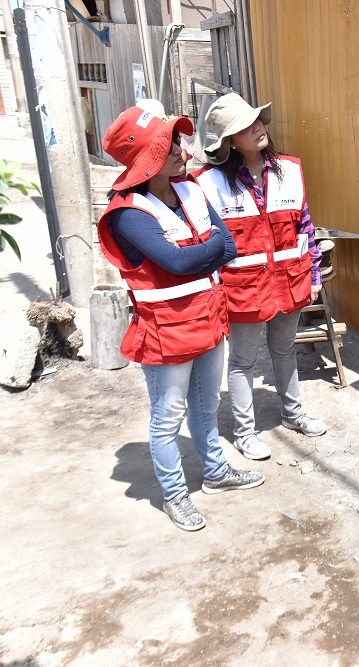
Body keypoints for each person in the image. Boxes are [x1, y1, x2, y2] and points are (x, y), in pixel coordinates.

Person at [97, 104, 265, 532]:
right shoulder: (129, 213)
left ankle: (215, 473)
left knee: (206, 406)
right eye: (167, 145)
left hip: (208, 317)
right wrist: (204, 250)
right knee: (167, 417)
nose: (180, 149)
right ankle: (175, 496)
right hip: (166, 331)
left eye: (178, 141)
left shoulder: (189, 189)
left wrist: (199, 253)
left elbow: (225, 249)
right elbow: (177, 260)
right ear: (144, 158)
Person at [193, 93, 327, 461]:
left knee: (285, 349)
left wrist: (314, 274)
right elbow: (208, 243)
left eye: (258, 121)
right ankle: (245, 432)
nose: (257, 128)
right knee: (243, 362)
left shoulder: (291, 170)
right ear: (229, 142)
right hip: (242, 289)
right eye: (244, 127)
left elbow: (305, 227)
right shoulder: (209, 184)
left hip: (289, 280)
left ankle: (293, 413)